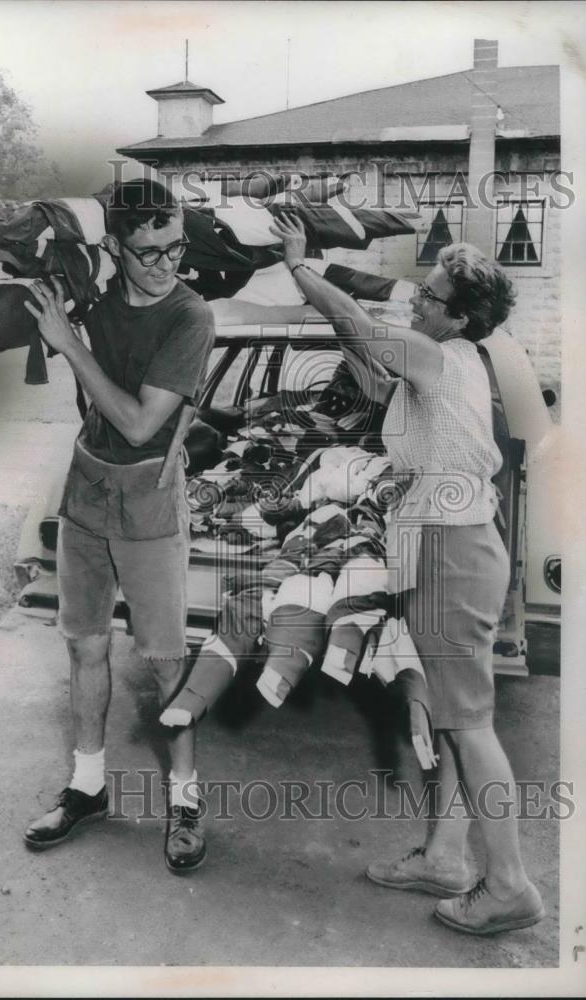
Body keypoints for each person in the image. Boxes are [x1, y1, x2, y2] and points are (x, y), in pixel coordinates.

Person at [269, 211, 544, 935]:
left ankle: (509, 885)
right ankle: (446, 858)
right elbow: (359, 347)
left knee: (470, 724)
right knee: (449, 718)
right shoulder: (440, 361)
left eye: (428, 295)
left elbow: (362, 328)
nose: (415, 301)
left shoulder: (441, 358)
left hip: (453, 552)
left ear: (457, 317)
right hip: (444, 545)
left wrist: (301, 267)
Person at [22, 179, 215, 872]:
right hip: (86, 494)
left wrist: (69, 346)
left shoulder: (189, 318)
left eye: (175, 248)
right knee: (83, 647)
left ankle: (186, 799)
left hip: (149, 504)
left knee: (164, 658)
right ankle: (86, 785)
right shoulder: (97, 298)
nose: (166, 264)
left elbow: (138, 422)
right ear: (114, 249)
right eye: (148, 251)